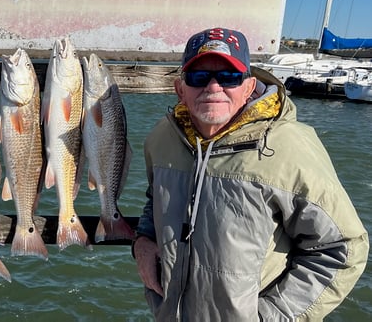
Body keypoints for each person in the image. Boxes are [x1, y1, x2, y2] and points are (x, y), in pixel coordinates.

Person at [133, 27, 369, 320]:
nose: (213, 87)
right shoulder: (161, 138)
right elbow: (154, 199)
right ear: (180, 88)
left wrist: (272, 315)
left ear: (248, 85)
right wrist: (142, 241)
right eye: (199, 77)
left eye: (229, 77)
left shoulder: (290, 146)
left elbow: (342, 248)